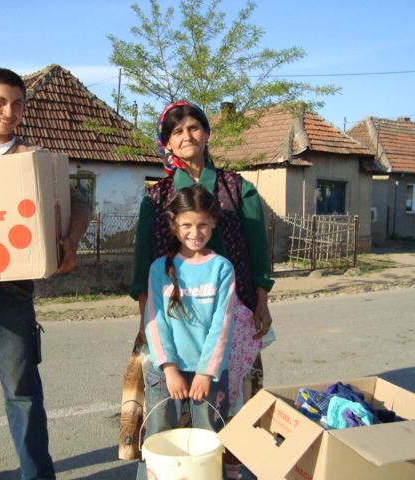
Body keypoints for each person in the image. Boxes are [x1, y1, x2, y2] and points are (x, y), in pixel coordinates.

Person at [0, 68, 91, 480]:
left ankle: (36, 473)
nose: (9, 111)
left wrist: (71, 242)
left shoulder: (33, 159)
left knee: (22, 392)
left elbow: (78, 202)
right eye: (0, 102)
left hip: (10, 291)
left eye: (18, 104)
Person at [129, 101, 275, 415]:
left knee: (229, 400)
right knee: (168, 401)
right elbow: (143, 262)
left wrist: (262, 301)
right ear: (167, 143)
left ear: (207, 133)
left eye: (194, 127)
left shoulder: (238, 189)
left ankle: (225, 448)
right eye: (177, 132)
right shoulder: (156, 198)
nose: (187, 136)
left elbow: (258, 249)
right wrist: (144, 318)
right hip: (171, 312)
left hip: (230, 311)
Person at [137, 185, 234, 480]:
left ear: (213, 222)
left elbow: (222, 325)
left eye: (202, 224)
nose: (195, 232)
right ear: (174, 225)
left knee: (209, 441)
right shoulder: (159, 268)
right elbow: (155, 322)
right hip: (166, 372)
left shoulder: (222, 268)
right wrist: (169, 369)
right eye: (187, 225)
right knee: (158, 438)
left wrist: (205, 373)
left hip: (208, 373)